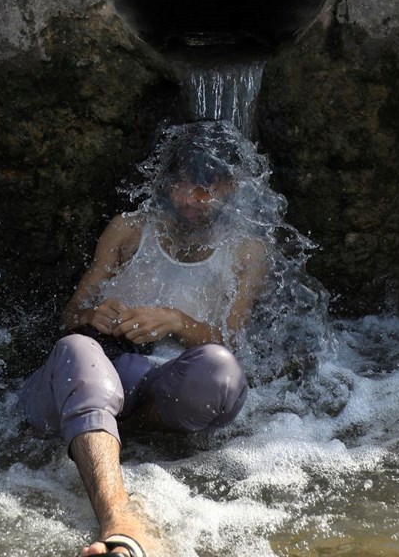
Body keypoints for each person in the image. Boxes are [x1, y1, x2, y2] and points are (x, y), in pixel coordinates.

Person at [20, 122, 269, 556]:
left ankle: (112, 430)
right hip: (94, 376)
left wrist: (175, 321)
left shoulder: (246, 250)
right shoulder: (130, 230)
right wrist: (93, 316)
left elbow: (233, 341)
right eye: (179, 186)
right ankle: (119, 519)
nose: (188, 200)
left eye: (203, 190)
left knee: (220, 369)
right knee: (77, 348)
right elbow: (69, 319)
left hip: (161, 393)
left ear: (230, 188)